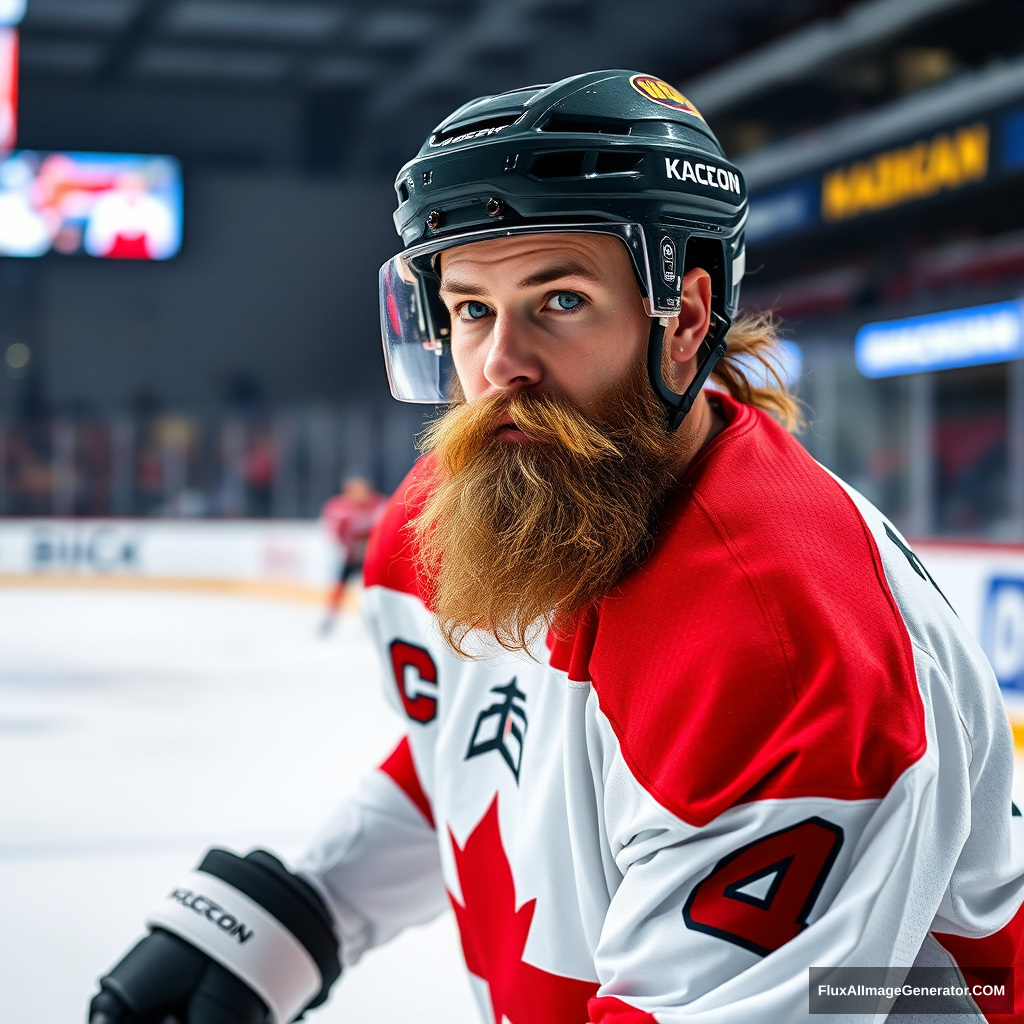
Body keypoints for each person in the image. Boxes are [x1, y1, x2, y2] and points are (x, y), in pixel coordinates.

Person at [88, 70, 1023, 1024]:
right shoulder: (449, 515)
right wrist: (303, 911)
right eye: (470, 309)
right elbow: (481, 756)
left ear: (685, 317)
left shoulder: (777, 639)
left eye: (561, 299)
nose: (501, 366)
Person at [319, 473, 387, 634]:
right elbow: (334, 533)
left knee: (376, 589)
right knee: (340, 586)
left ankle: (379, 620)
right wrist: (349, 547)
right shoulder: (338, 507)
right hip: (351, 556)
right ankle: (330, 618)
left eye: (361, 488)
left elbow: (386, 531)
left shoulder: (381, 505)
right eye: (353, 489)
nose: (358, 493)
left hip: (373, 557)